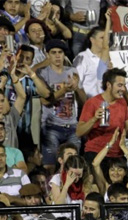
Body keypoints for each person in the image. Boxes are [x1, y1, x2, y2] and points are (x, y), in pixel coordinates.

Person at [38, 39, 83, 174]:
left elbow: (83, 100)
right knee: (49, 166)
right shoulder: (43, 73)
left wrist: (77, 89)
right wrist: (63, 90)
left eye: (60, 52)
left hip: (72, 126)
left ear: (64, 55)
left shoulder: (72, 71)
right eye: (54, 52)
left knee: (74, 165)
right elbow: (45, 101)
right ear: (47, 55)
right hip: (51, 126)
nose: (57, 56)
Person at [76, 67, 128, 164]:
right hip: (95, 154)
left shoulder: (122, 103)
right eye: (120, 85)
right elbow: (79, 132)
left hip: (117, 156)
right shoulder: (92, 103)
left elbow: (127, 130)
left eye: (124, 85)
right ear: (109, 85)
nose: (123, 89)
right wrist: (94, 119)